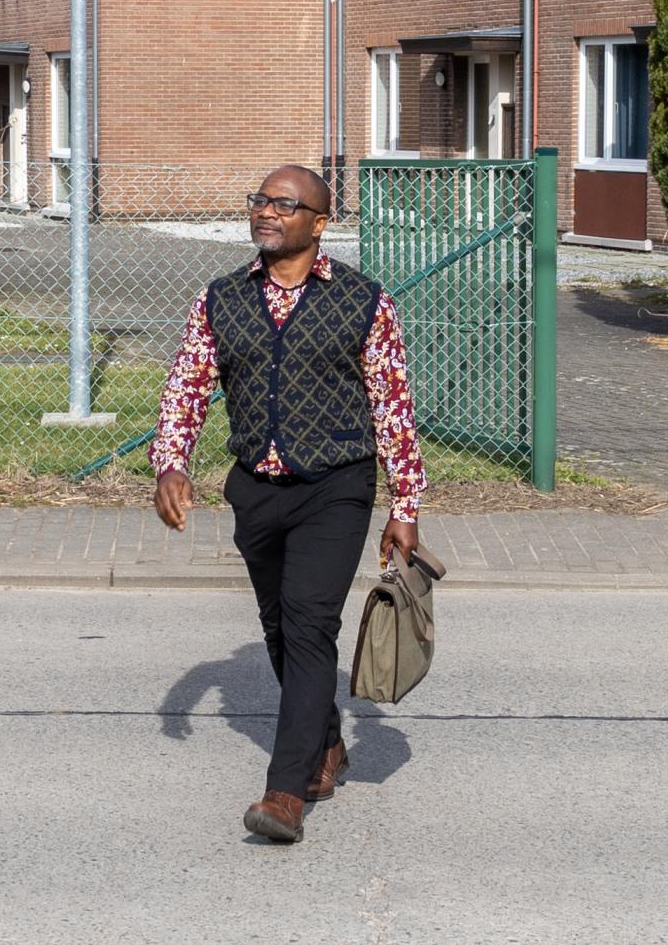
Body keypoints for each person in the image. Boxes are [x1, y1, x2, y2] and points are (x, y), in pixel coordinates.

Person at [151, 164, 424, 846]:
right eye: (259, 200)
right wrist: (171, 463)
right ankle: (326, 741)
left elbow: (393, 406)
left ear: (319, 221)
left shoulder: (365, 301)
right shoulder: (220, 298)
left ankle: (286, 790)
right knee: (278, 626)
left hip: (337, 486)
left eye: (283, 203)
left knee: (308, 626)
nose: (265, 212)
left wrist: (405, 501)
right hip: (257, 489)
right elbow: (187, 385)